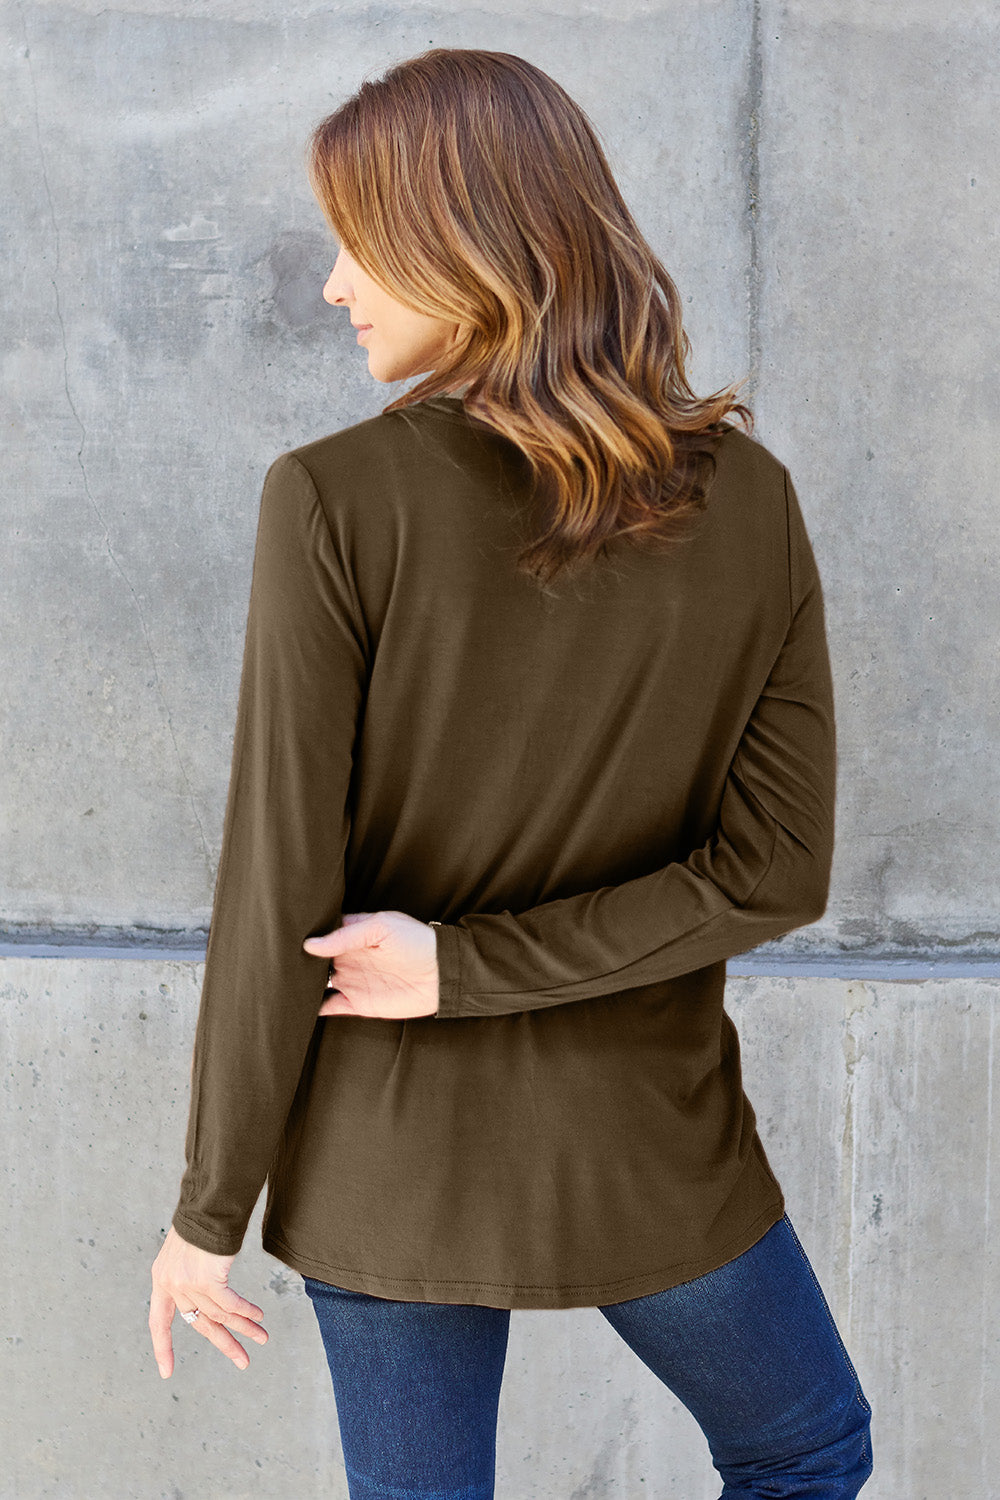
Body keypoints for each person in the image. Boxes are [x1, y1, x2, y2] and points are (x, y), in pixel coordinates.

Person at [148, 46, 873, 1500]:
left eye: (359, 244)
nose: (335, 285)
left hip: (389, 1153)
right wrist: (473, 967)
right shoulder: (750, 500)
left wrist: (206, 1212)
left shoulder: (333, 498)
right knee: (804, 1455)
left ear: (460, 244)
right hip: (647, 1137)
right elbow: (771, 872)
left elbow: (276, 880)